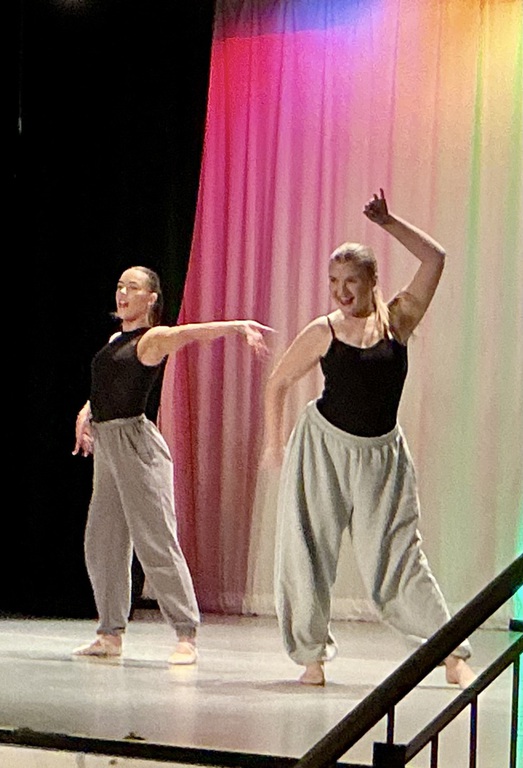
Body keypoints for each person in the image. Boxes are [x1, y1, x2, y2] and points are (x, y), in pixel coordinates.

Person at [262, 190, 475, 688]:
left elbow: (435, 258)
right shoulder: (324, 331)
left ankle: (451, 653)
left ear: (372, 281)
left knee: (400, 557)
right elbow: (279, 382)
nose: (341, 291)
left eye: (351, 281)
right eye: (334, 281)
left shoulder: (397, 321)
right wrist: (275, 443)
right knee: (308, 550)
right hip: (322, 449)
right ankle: (311, 656)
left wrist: (388, 222)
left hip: (382, 456)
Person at [73, 265, 273, 664]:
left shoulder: (153, 338)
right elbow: (107, 385)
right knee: (103, 542)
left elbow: (190, 333)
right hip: (109, 447)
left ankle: (186, 633)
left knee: (156, 541)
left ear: (151, 298)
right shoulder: (115, 340)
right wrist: (87, 412)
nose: (122, 293)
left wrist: (237, 327)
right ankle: (110, 634)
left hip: (137, 446)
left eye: (132, 287)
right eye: (120, 286)